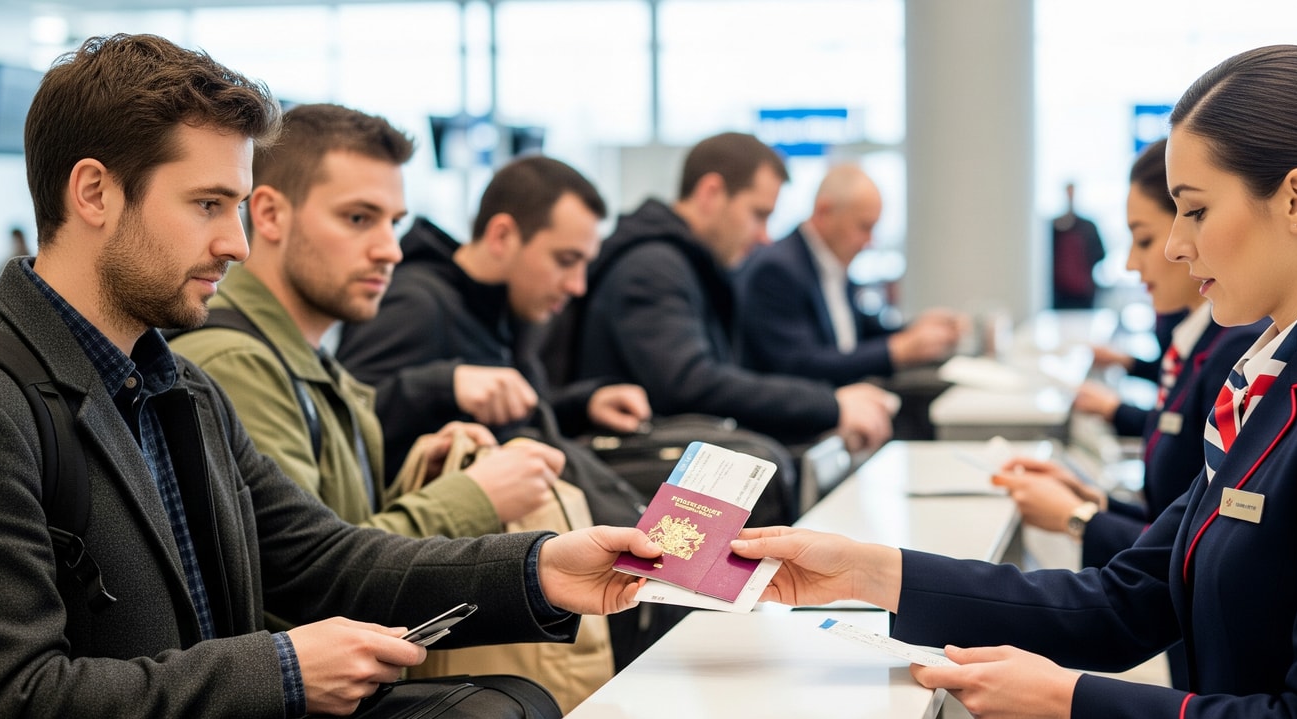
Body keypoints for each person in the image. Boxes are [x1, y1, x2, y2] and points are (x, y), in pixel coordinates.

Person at [734, 45, 1297, 719]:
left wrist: (1071, 703)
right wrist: (869, 572)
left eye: (1195, 211)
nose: (1173, 248)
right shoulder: (1282, 375)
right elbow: (1125, 599)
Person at [0, 34, 656, 719]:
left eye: (237, 205)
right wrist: (280, 667)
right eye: (208, 204)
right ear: (94, 191)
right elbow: (10, 714)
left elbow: (328, 560)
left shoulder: (181, 393)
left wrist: (537, 570)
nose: (237, 242)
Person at [169, 103, 564, 543]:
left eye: (393, 224)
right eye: (358, 218)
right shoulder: (237, 364)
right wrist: (474, 497)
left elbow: (331, 528)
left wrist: (419, 483)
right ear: (270, 215)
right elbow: (305, 575)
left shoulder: (302, 358)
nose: (390, 250)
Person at [1002, 139, 1265, 570]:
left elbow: (1208, 551)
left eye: (1144, 239)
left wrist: (1081, 518)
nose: (1131, 262)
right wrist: (1094, 500)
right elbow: (1183, 518)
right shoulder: (1199, 342)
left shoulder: (1238, 351)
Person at [572, 131, 897, 453]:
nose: (765, 236)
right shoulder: (652, 268)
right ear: (711, 193)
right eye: (759, 215)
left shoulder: (692, 265)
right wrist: (830, 406)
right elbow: (691, 385)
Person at [338, 155, 651, 480]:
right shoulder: (416, 305)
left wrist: (583, 405)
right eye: (565, 260)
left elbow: (507, 416)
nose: (577, 285)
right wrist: (445, 385)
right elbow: (341, 426)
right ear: (501, 236)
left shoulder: (508, 308)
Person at [735, 163, 966, 385]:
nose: (870, 242)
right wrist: (898, 349)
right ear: (824, 212)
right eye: (864, 227)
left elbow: (861, 334)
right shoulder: (778, 269)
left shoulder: (833, 265)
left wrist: (914, 329)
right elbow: (800, 365)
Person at [1050, 182, 1106, 309]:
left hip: (1083, 292)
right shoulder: (1055, 226)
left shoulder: (1088, 226)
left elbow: (1100, 253)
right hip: (1060, 293)